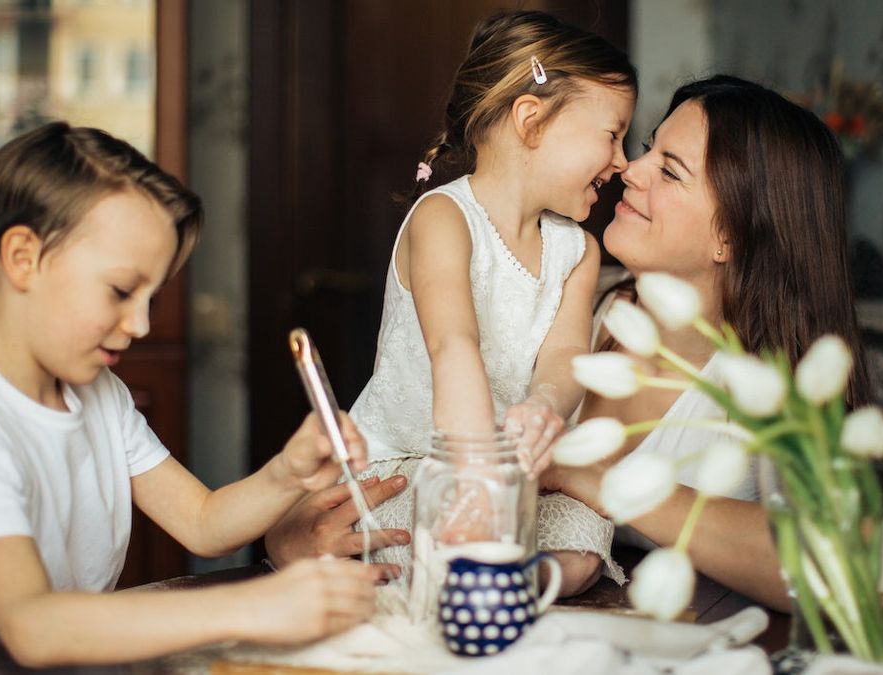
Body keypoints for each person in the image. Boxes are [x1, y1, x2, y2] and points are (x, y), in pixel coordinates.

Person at [0, 122, 381, 673]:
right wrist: (253, 605)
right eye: (120, 291)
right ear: (22, 258)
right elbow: (32, 627)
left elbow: (203, 522)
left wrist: (289, 473)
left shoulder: (97, 393)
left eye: (151, 297)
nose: (139, 323)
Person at [268, 10, 636, 596]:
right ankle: (475, 572)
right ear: (532, 120)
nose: (622, 161)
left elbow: (566, 355)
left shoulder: (577, 251)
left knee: (583, 542)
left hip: (515, 476)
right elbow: (453, 345)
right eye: (612, 134)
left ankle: (498, 579)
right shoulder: (444, 218)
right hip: (416, 461)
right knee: (417, 530)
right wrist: (475, 477)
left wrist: (545, 404)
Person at [542, 74, 872, 611]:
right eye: (650, 148)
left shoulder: (775, 386)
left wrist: (607, 481)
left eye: (670, 170)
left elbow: (835, 566)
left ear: (731, 236)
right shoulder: (575, 301)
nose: (630, 167)